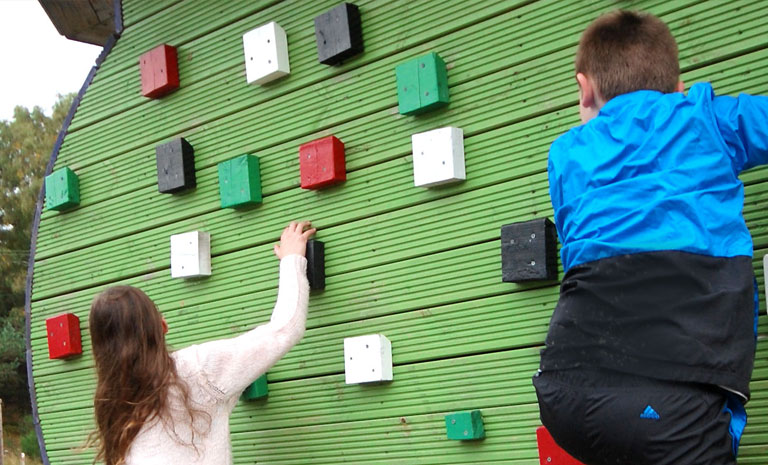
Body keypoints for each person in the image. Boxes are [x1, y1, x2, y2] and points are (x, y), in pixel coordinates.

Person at [532, 10, 768, 465]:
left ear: (583, 88)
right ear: (678, 87)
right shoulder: (707, 120)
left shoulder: (565, 155)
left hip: (565, 392)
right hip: (674, 397)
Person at [87, 221, 316, 465]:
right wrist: (292, 260)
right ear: (162, 326)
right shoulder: (196, 371)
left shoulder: (113, 404)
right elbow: (284, 330)